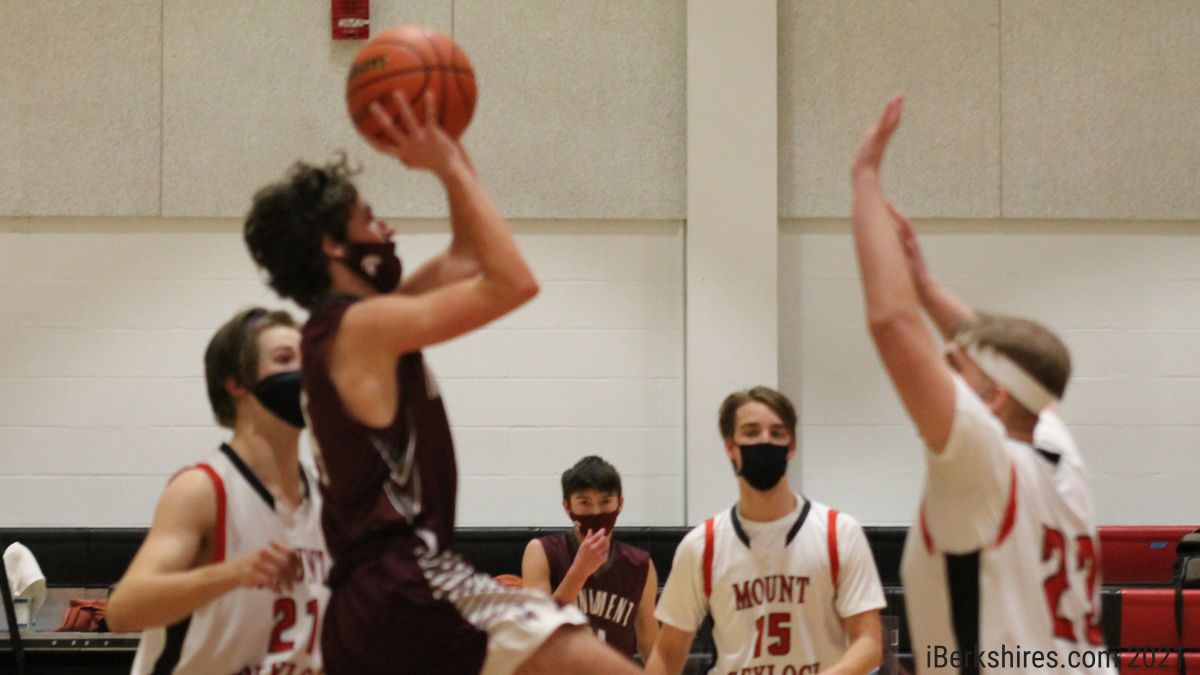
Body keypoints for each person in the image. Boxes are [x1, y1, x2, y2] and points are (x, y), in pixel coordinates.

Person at [243, 92, 640, 675]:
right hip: (406, 580)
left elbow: (468, 253)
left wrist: (452, 153)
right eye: (370, 219)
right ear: (332, 245)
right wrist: (446, 165)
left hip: (373, 598)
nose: (387, 229)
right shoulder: (360, 328)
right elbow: (512, 282)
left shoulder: (358, 326)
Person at [850, 95, 1115, 672]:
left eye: (955, 368)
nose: (941, 374)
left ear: (993, 399)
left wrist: (864, 178)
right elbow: (1017, 368)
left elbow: (893, 324)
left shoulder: (982, 461)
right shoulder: (1061, 457)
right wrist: (926, 286)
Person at [107, 307, 329, 674]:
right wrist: (233, 574)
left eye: (307, 358)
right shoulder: (203, 489)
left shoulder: (325, 494)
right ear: (237, 383)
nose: (304, 371)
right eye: (284, 359)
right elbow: (123, 611)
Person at [646, 387, 885, 675]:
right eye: (751, 432)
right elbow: (668, 652)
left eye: (777, 433)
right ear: (730, 447)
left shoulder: (839, 533)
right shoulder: (702, 545)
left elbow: (869, 643)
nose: (765, 440)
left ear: (791, 447)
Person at [521, 456, 659, 662]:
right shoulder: (541, 552)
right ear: (567, 506)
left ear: (620, 503)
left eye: (605, 501)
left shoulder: (641, 565)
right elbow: (538, 631)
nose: (596, 511)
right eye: (584, 502)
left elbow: (650, 644)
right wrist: (579, 572)